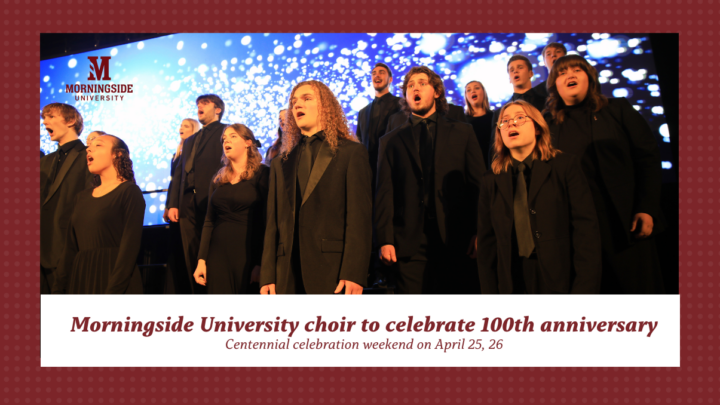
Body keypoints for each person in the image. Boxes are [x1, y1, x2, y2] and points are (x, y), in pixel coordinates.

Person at [545, 54, 666, 294]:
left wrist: (647, 207)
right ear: (554, 85)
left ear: (589, 78)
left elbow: (648, 159)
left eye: (576, 70)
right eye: (561, 73)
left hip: (625, 222)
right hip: (577, 229)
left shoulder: (617, 109)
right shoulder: (547, 125)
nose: (570, 75)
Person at [375, 66, 486, 294]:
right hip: (409, 243)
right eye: (410, 86)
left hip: (457, 239)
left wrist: (480, 231)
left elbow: (479, 186)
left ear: (436, 92)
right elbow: (384, 193)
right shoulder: (390, 141)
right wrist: (385, 239)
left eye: (422, 83)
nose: (415, 88)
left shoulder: (463, 132)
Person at [260, 80, 372, 295]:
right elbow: (273, 223)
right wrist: (268, 275)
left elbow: (359, 218)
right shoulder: (279, 163)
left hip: (332, 271)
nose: (297, 105)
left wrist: (353, 272)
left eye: (306, 98)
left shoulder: (351, 153)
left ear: (325, 106)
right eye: (294, 102)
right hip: (286, 274)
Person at [477, 100, 601, 294]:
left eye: (520, 118)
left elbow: (586, 233)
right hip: (512, 280)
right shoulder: (490, 180)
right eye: (504, 121)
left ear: (537, 127)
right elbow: (487, 246)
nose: (511, 124)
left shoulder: (565, 166)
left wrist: (584, 290)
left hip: (559, 278)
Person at [52, 135, 146, 294]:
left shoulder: (129, 191)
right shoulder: (81, 197)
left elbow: (129, 249)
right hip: (81, 279)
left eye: (99, 145)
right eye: (89, 146)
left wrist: (112, 292)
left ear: (118, 154)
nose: (89, 148)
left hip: (113, 279)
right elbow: (69, 249)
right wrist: (58, 290)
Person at [193, 124, 269, 294]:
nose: (226, 140)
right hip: (217, 256)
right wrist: (202, 260)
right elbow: (209, 221)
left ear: (248, 142)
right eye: (224, 138)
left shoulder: (263, 174)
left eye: (233, 136)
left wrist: (260, 262)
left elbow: (267, 222)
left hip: (247, 255)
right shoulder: (219, 178)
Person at [167, 95, 227, 294]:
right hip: (186, 202)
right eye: (198, 104)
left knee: (212, 248)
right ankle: (196, 293)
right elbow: (178, 174)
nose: (199, 106)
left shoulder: (226, 131)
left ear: (218, 109)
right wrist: (172, 203)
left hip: (212, 198)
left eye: (205, 103)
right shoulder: (190, 140)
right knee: (190, 250)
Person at [40, 103, 93, 294]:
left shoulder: (88, 156)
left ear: (70, 121)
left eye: (50, 116)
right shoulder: (44, 161)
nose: (44, 121)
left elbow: (89, 203)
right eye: (44, 117)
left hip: (67, 249)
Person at [163, 118, 200, 293]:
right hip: (175, 206)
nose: (181, 128)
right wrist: (169, 205)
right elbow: (174, 182)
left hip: (187, 206)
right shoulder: (177, 153)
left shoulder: (195, 150)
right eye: (181, 125)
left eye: (186, 126)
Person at [489, 55, 547, 164]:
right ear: (509, 79)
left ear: (531, 73)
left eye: (520, 67)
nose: (515, 71)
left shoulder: (546, 103)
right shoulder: (499, 112)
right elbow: (495, 147)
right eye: (512, 70)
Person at [356, 62, 401, 194]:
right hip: (368, 173)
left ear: (390, 79)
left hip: (393, 170)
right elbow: (359, 142)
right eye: (374, 73)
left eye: (382, 72)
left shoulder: (401, 105)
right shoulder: (363, 112)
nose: (377, 75)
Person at [464, 80, 493, 163]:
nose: (473, 91)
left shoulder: (495, 117)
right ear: (466, 96)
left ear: (484, 92)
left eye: (477, 88)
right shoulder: (462, 121)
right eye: (468, 90)